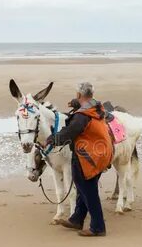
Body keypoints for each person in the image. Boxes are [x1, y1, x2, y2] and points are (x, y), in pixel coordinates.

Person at [46, 82, 112, 237]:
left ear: (78, 94)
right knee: (85, 187)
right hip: (102, 152)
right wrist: (77, 104)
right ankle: (77, 219)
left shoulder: (82, 116)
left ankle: (98, 227)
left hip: (89, 156)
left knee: (87, 190)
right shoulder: (96, 107)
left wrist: (53, 139)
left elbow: (70, 132)